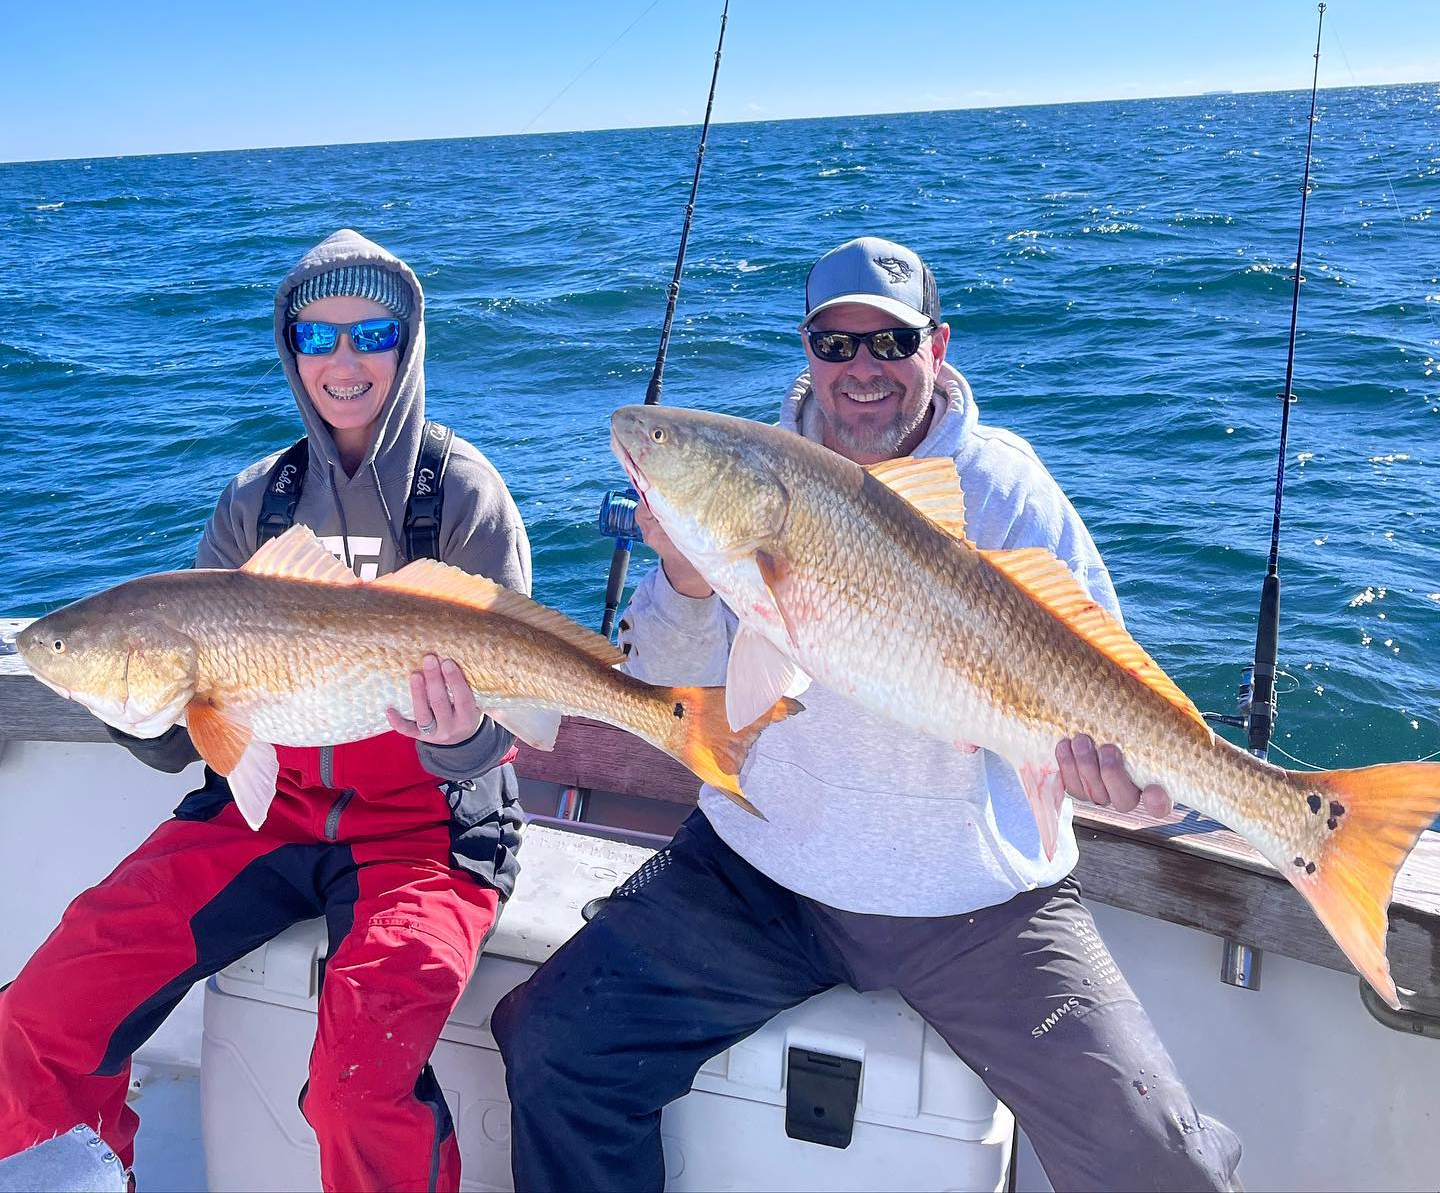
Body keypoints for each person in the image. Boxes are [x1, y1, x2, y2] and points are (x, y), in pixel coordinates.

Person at [493, 236, 1243, 1192]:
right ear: (807, 353)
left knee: (1161, 1161)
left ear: (938, 346)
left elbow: (1103, 681)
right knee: (554, 1046)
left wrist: (1128, 787)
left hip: (975, 903)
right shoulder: (753, 486)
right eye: (835, 344)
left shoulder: (1004, 488)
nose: (863, 371)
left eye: (890, 343)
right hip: (760, 875)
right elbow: (672, 684)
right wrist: (683, 578)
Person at [0, 229, 531, 1193]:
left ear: (407, 343)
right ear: (289, 350)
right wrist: (133, 697)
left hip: (424, 827)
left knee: (356, 1090)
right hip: (263, 803)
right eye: (316, 336)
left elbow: (512, 712)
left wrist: (463, 739)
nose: (343, 360)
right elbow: (181, 741)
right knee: (43, 1010)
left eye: (370, 333)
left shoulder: (463, 495)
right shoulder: (255, 498)